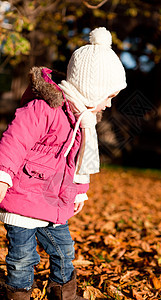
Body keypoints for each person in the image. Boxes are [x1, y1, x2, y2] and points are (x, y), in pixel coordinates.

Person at [0, 27, 126, 300]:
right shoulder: (44, 108)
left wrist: (79, 189)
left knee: (64, 251)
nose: (107, 105)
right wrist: (2, 176)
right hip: (23, 199)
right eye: (108, 97)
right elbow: (14, 141)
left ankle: (64, 293)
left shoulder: (84, 121)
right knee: (22, 258)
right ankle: (18, 293)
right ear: (92, 90)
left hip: (54, 203)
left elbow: (78, 159)